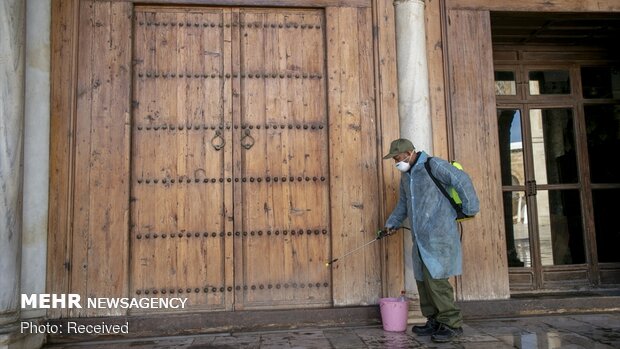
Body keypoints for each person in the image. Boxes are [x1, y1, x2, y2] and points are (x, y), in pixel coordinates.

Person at [383, 138, 479, 343]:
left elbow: (461, 179)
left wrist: (471, 208)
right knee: (422, 281)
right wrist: (392, 223)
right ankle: (434, 320)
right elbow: (403, 204)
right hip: (420, 238)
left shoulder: (433, 165)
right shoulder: (406, 177)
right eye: (394, 159)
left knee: (437, 281)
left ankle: (452, 323)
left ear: (409, 152)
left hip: (439, 235)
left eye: (398, 158)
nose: (396, 162)